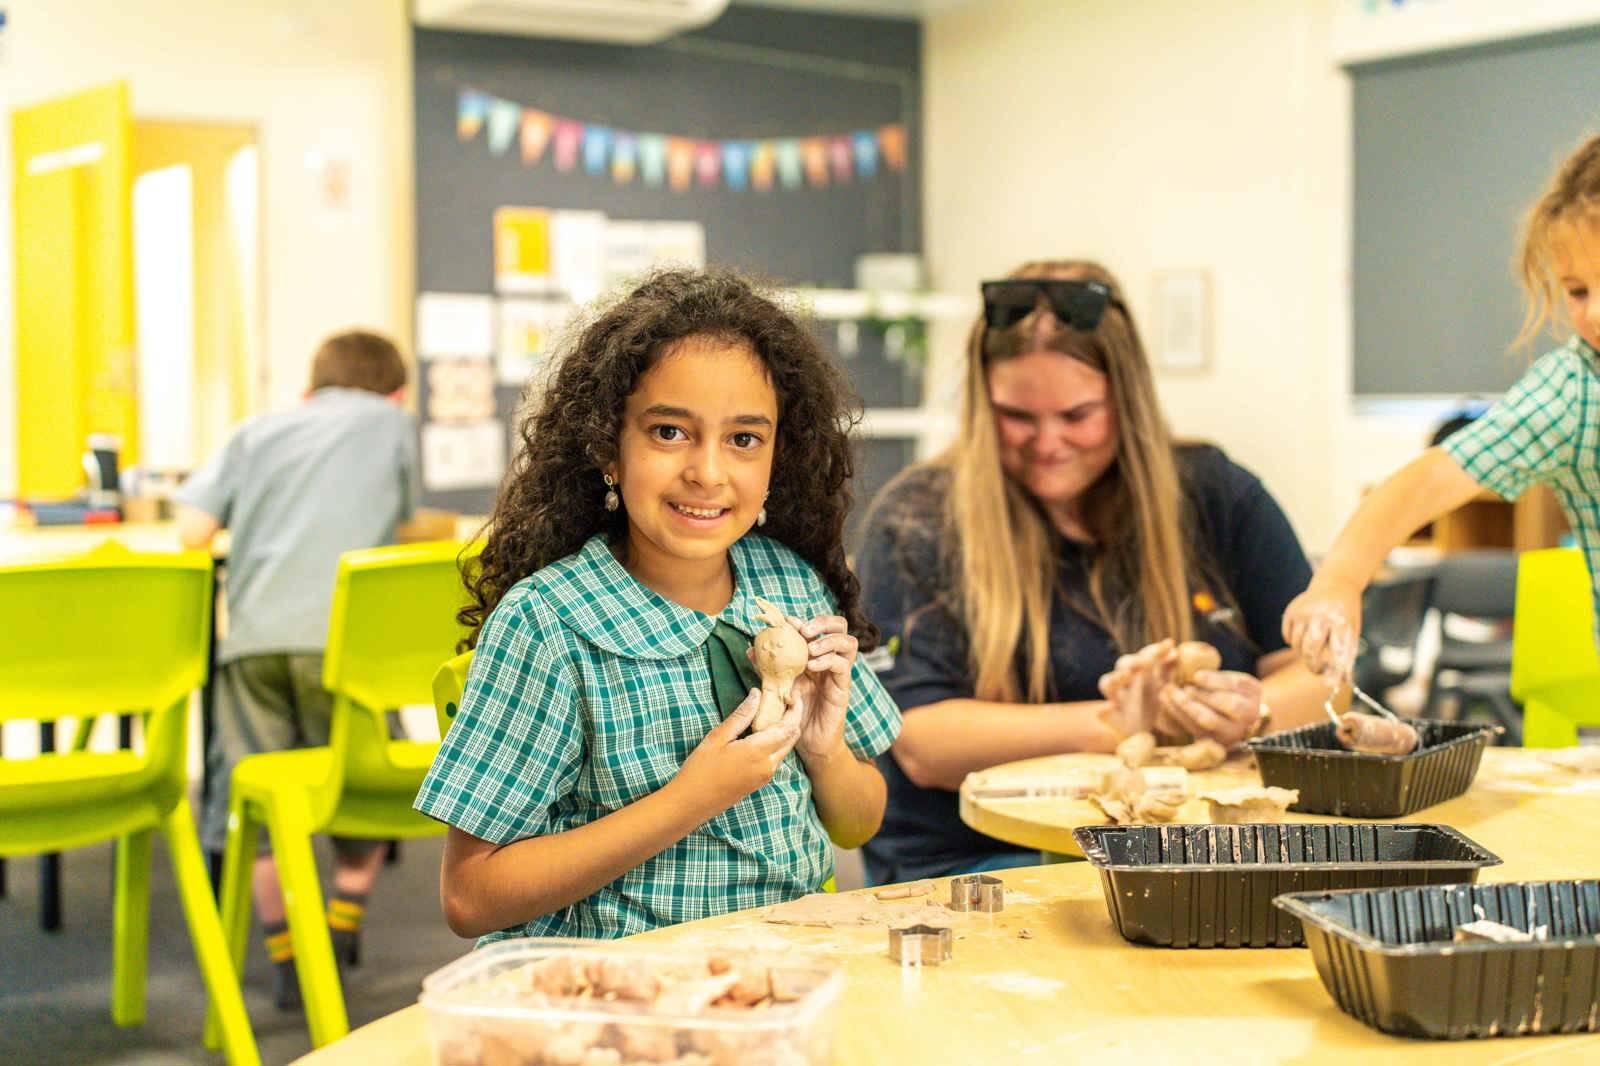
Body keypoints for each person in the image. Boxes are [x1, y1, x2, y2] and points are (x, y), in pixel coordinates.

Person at [415, 268, 902, 943]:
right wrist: (688, 799)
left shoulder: (790, 586)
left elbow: (859, 821)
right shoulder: (549, 623)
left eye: (743, 439)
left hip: (782, 975)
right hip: (613, 995)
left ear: (776, 459)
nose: (707, 471)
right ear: (608, 446)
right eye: (670, 432)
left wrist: (824, 752)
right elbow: (470, 897)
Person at [854, 260, 1330, 884]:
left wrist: (1255, 713)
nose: (1047, 442)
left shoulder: (1214, 494)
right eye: (1017, 417)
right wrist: (1127, 724)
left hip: (1177, 855)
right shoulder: (917, 521)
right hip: (977, 867)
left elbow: (1323, 680)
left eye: (1078, 416)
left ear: (1125, 402)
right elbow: (921, 741)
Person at [1285, 132, 1600, 681]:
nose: (1594, 314)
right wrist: (1340, 579)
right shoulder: (1574, 390)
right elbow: (1430, 479)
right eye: (1577, 291)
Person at [175, 329, 418, 1008]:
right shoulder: (394, 427)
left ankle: (286, 957)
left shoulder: (256, 429)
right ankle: (342, 926)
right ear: (397, 392)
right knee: (364, 784)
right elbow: (399, 517)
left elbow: (191, 531)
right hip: (345, 646)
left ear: (309, 389)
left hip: (253, 641)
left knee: (255, 798)